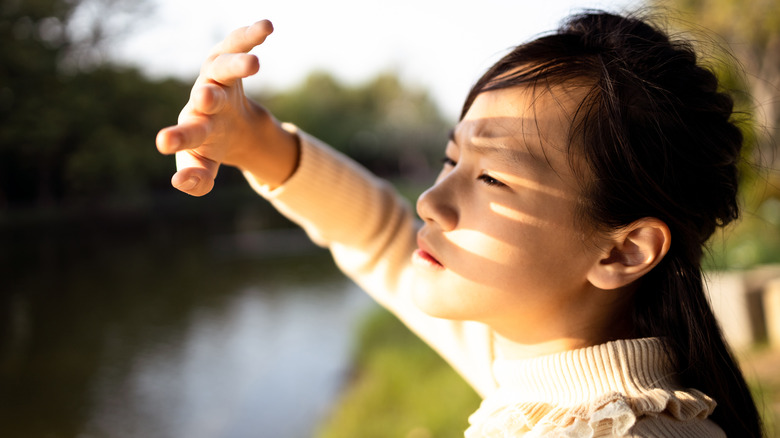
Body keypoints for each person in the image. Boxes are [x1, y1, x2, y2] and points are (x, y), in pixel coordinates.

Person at [156, 11, 764, 437]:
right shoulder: (543, 381)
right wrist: (252, 140)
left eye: (492, 178)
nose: (429, 202)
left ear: (623, 252)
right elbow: (379, 237)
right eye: (452, 158)